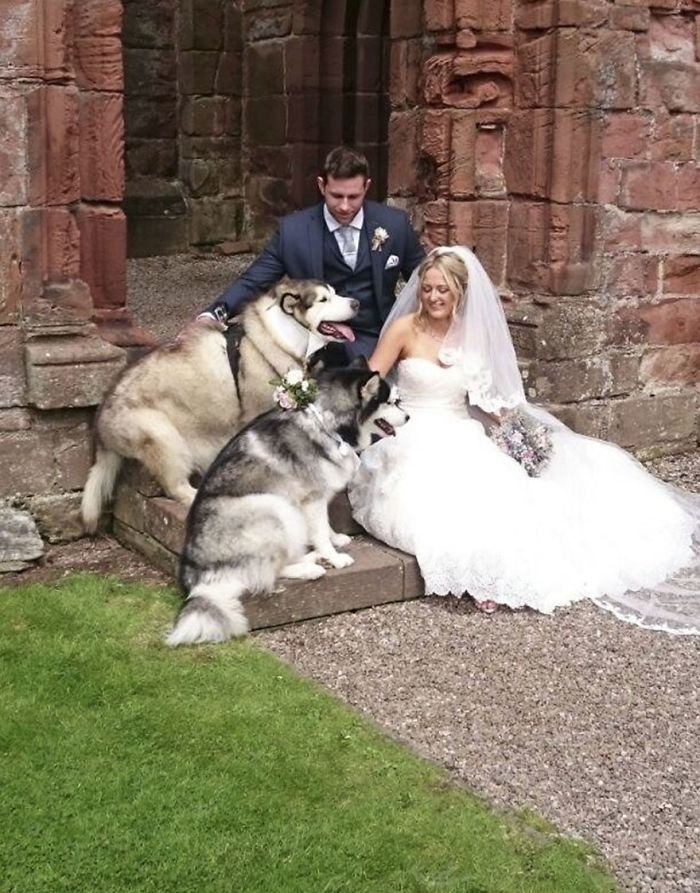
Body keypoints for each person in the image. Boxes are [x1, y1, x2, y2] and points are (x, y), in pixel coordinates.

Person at [348, 246, 700, 632]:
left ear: (460, 293)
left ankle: (495, 571)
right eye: (428, 289)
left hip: (461, 433)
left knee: (505, 499)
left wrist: (520, 434)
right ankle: (472, 572)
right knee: (434, 506)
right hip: (409, 433)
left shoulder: (471, 336)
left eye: (443, 290)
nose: (433, 297)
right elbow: (369, 384)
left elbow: (486, 399)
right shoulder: (404, 329)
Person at [198, 146, 425, 361]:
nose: (345, 206)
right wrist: (212, 316)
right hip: (313, 342)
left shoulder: (394, 224)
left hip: (377, 340)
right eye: (336, 196)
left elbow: (424, 278)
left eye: (354, 197)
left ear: (366, 187)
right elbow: (253, 281)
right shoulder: (293, 231)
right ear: (321, 186)